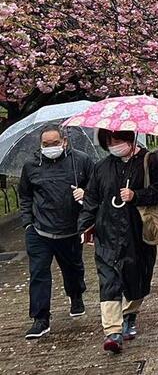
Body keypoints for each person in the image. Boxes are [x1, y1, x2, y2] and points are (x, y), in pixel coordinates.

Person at [77, 130, 158, 354]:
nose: (114, 146)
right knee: (108, 281)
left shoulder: (151, 161)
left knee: (137, 278)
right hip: (107, 234)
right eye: (109, 142)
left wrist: (136, 195)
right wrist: (84, 226)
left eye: (117, 141)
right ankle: (112, 331)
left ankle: (129, 314)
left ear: (130, 139)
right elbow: (92, 199)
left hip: (139, 234)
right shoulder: (102, 167)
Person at [19, 124, 94, 339]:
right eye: (46, 144)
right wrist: (27, 223)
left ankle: (76, 295)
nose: (50, 147)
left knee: (73, 268)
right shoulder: (31, 165)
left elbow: (97, 186)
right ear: (40, 145)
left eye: (55, 143)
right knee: (39, 273)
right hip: (39, 230)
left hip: (70, 229)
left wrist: (85, 192)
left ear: (64, 142)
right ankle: (40, 318)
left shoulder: (80, 160)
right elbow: (25, 195)